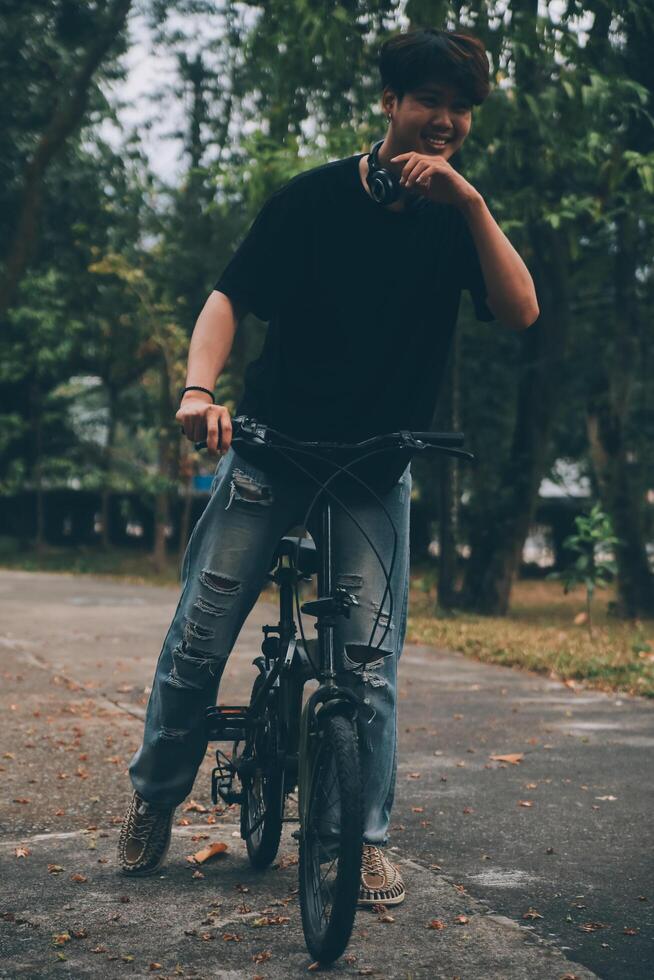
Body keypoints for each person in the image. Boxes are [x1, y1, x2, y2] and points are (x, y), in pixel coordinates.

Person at [118, 26, 539, 907]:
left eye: (461, 108)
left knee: (369, 667)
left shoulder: (456, 216)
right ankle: (155, 797)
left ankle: (362, 843)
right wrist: (200, 391)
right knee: (199, 643)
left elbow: (521, 310)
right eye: (429, 100)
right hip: (272, 452)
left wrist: (472, 206)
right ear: (390, 103)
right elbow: (228, 299)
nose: (446, 120)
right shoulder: (309, 201)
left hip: (377, 469)